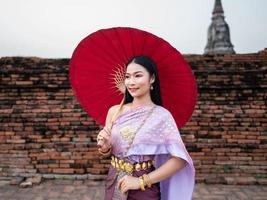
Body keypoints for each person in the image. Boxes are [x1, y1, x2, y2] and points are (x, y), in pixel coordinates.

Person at [96, 56, 195, 200]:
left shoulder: (161, 116)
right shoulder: (114, 111)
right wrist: (105, 147)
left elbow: (180, 159)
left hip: (144, 187)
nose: (131, 82)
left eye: (138, 76)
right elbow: (110, 151)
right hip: (114, 180)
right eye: (127, 77)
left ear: (152, 78)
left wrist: (141, 181)